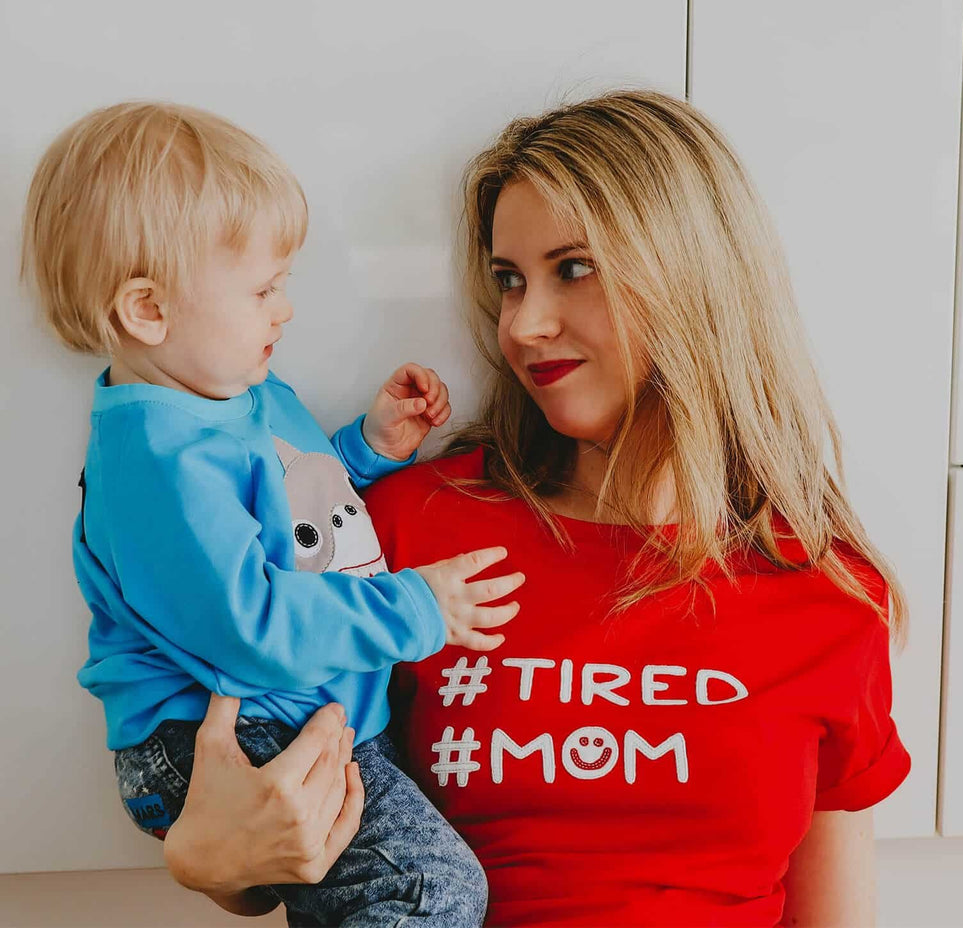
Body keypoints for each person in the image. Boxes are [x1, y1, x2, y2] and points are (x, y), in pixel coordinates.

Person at [158, 90, 911, 926]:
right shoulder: (409, 530)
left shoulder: (824, 586)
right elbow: (276, 790)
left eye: (574, 268)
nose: (523, 324)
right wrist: (208, 865)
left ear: (696, 277)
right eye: (509, 280)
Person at [22, 101, 530, 926]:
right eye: (263, 288)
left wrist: (367, 448)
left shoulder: (233, 392)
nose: (284, 309)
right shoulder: (157, 460)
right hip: (220, 734)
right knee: (426, 891)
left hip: (288, 712)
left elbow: (287, 506)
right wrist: (415, 607)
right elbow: (247, 621)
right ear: (148, 310)